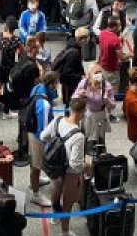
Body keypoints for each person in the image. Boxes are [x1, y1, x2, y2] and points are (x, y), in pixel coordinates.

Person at [40, 98, 86, 236]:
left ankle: (55, 217)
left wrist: (55, 147)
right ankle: (65, 232)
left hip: (55, 167)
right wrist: (87, 165)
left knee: (56, 189)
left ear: (70, 109)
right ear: (82, 112)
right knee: (68, 201)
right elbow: (75, 164)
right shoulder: (78, 136)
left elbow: (43, 136)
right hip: (69, 172)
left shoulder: (58, 120)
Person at [27, 71, 59, 207]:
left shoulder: (37, 87)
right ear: (51, 84)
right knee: (36, 165)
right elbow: (44, 131)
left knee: (34, 162)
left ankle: (36, 180)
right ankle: (35, 194)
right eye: (55, 84)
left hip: (31, 131)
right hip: (38, 137)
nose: (57, 87)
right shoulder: (44, 105)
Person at [72, 64, 116, 146]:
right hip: (87, 115)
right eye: (96, 72)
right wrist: (79, 96)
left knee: (100, 140)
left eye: (100, 72)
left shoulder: (106, 86)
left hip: (101, 115)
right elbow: (73, 99)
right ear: (89, 75)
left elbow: (113, 105)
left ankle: (100, 155)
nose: (99, 75)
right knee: (86, 139)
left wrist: (106, 100)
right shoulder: (84, 83)